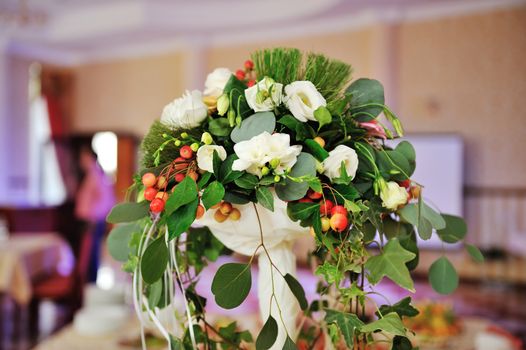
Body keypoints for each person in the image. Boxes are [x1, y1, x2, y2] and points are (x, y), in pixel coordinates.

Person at [75, 145, 116, 283]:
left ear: (89, 157)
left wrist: (94, 215)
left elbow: (106, 200)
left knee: (90, 255)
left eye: (82, 157)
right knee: (90, 254)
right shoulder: (94, 174)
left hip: (92, 221)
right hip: (92, 220)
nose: (80, 161)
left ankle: (89, 285)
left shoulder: (95, 174)